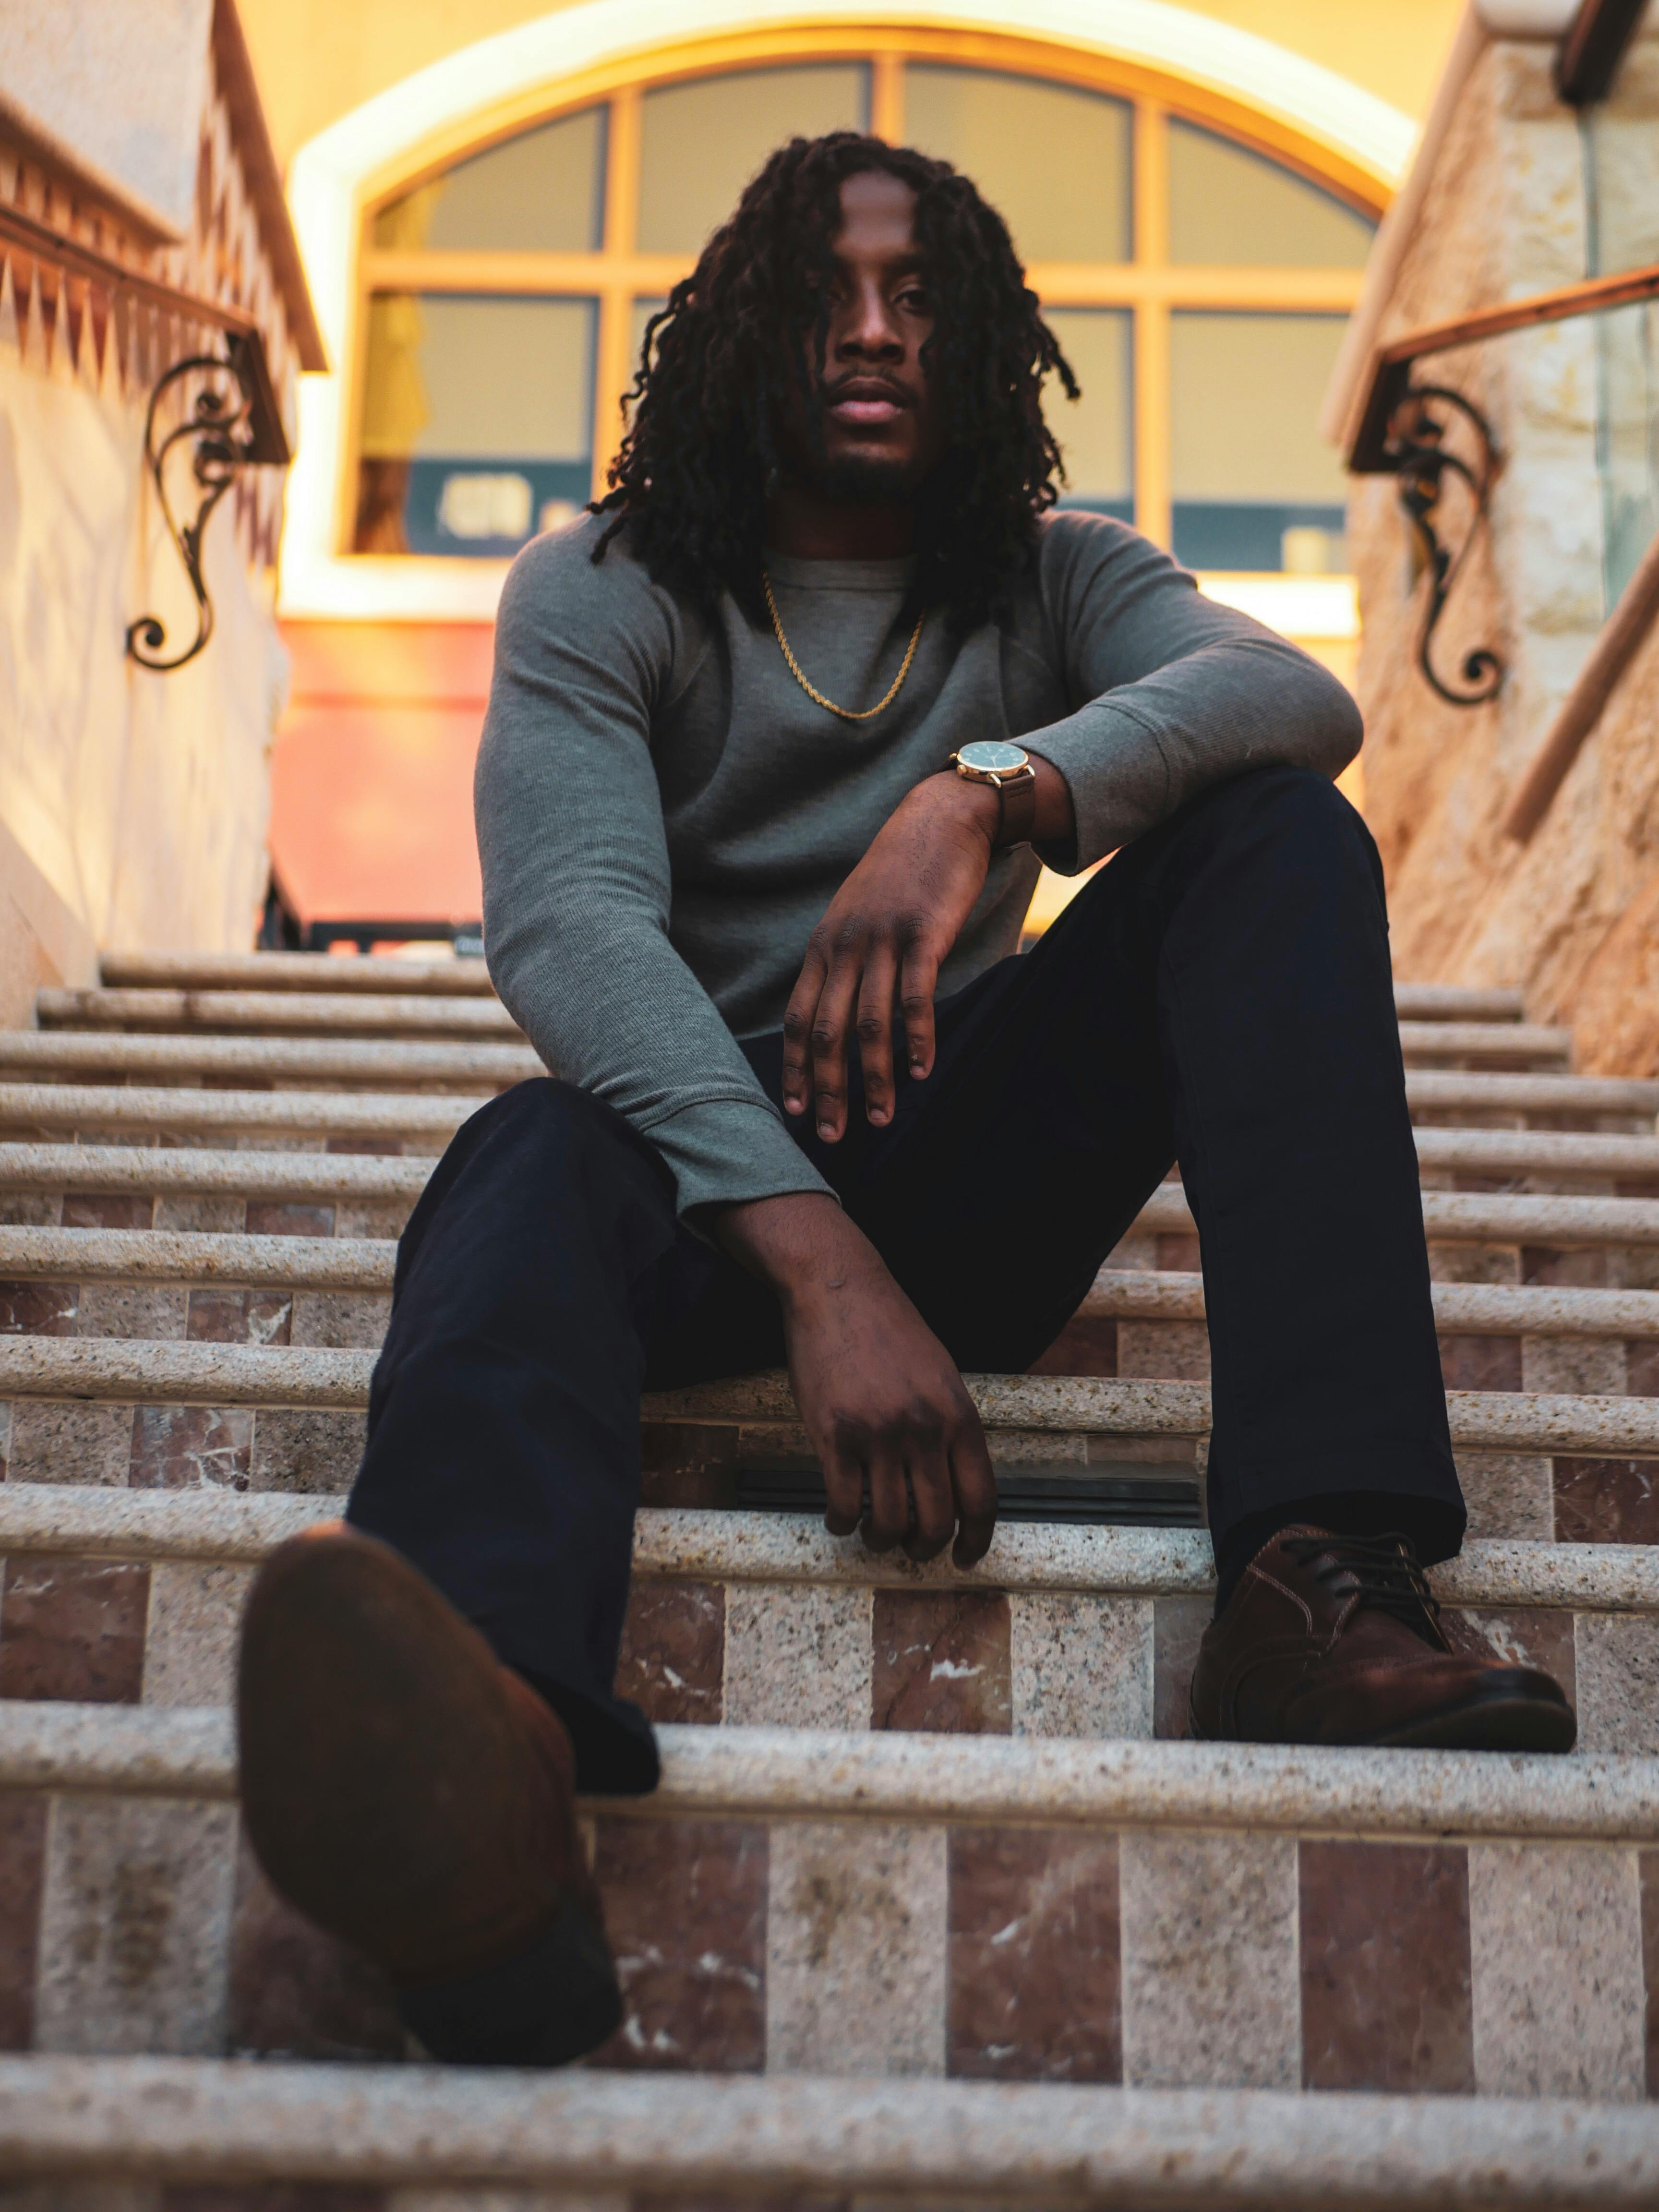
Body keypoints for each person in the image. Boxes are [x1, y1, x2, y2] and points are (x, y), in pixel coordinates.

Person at [236, 131, 1574, 2073]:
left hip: (977, 1139)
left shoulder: (1050, 582)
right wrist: (820, 1267)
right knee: (522, 1149)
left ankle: (1318, 1580)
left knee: (1281, 834)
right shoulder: (605, 591)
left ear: (989, 348)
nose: (874, 330)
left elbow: (1296, 698)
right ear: (750, 337)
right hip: (706, 1189)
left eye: (923, 294)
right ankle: (492, 1765)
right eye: (826, 293)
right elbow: (572, 937)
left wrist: (992, 792)